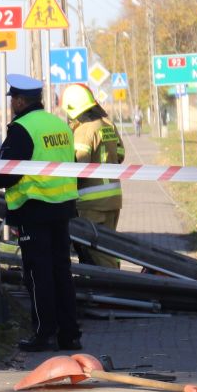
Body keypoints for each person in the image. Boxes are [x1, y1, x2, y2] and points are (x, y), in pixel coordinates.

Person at [0, 74, 80, 352]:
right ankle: (70, 335)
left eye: (13, 100)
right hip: (61, 207)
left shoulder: (21, 129)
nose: (12, 105)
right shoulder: (59, 125)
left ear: (19, 100)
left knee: (38, 275)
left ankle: (44, 334)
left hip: (34, 208)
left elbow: (5, 176)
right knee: (61, 272)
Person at [61, 83, 126, 269]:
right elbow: (121, 154)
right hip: (113, 199)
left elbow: (79, 167)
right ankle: (117, 281)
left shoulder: (84, 130)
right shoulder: (108, 124)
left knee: (96, 252)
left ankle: (111, 288)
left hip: (92, 203)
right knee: (110, 247)